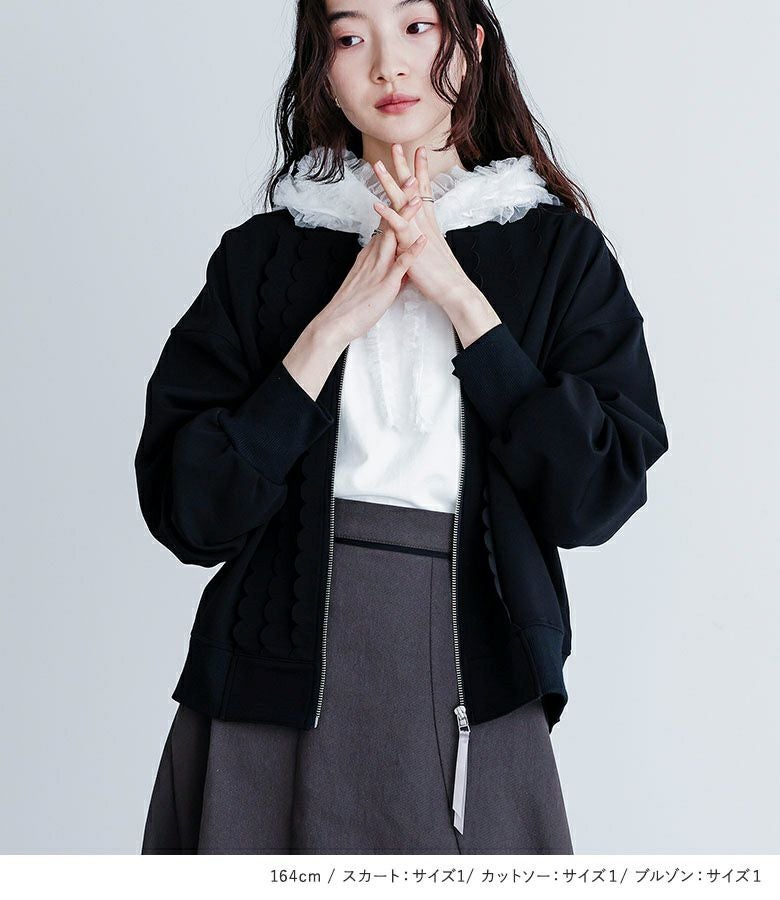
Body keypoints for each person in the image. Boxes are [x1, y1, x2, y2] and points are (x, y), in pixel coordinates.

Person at [135, 0, 669, 855]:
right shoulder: (262, 257)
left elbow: (594, 498)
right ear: (322, 71)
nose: (387, 63)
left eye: (417, 26)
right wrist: (329, 330)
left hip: (473, 666)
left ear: (473, 45)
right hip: (267, 676)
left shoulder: (560, 256)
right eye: (350, 37)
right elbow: (190, 514)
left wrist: (460, 300)